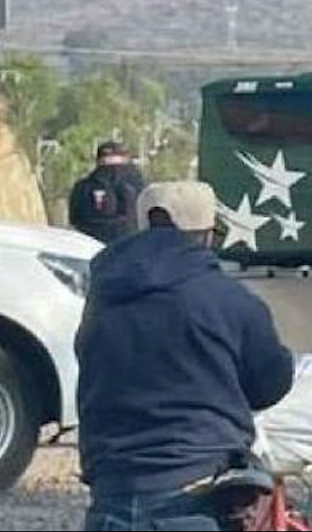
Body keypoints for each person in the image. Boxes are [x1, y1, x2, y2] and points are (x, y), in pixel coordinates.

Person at [76, 180, 295, 531]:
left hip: (111, 496)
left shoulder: (102, 299)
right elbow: (271, 385)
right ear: (207, 236)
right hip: (193, 495)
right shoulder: (230, 300)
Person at [68, 141, 148, 245]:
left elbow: (75, 219)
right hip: (130, 246)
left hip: (89, 246)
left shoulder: (83, 187)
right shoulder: (137, 185)